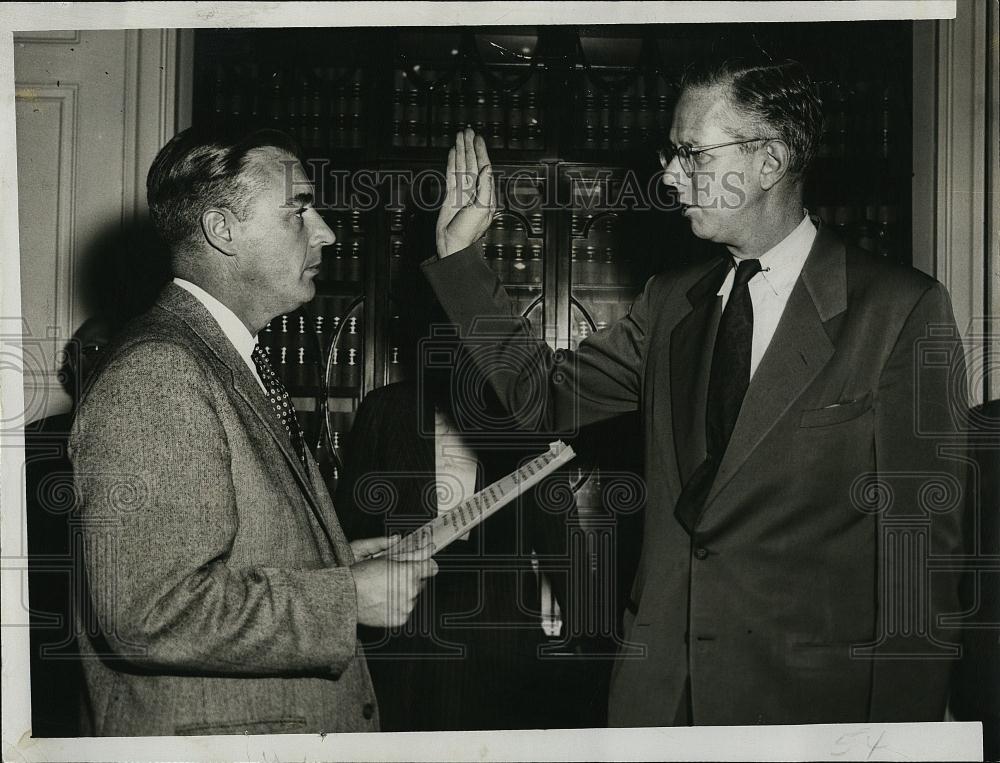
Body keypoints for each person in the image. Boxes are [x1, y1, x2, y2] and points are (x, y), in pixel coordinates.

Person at [422, 57, 968, 725]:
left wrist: (902, 736)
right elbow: (542, 399)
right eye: (670, 153)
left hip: (810, 713)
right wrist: (461, 261)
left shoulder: (897, 310)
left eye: (691, 154)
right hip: (663, 703)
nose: (670, 176)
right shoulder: (671, 302)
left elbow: (921, 559)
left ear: (768, 160)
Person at [68, 126, 437, 736]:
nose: (325, 231)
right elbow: (147, 610)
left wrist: (339, 565)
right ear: (222, 231)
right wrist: (347, 600)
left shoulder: (219, 357)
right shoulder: (160, 373)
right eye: (298, 210)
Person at [334, 213, 602, 730]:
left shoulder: (521, 412)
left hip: (500, 639)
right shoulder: (384, 411)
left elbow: (558, 528)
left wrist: (576, 622)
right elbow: (347, 530)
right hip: (402, 644)